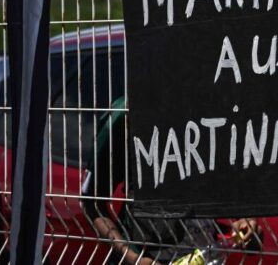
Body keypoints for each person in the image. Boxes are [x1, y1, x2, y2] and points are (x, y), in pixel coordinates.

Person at [82, 96, 260, 264]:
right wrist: (132, 257)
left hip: (204, 256)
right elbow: (92, 201)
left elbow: (229, 182)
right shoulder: (128, 112)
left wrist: (246, 221)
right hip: (148, 255)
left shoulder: (216, 110)